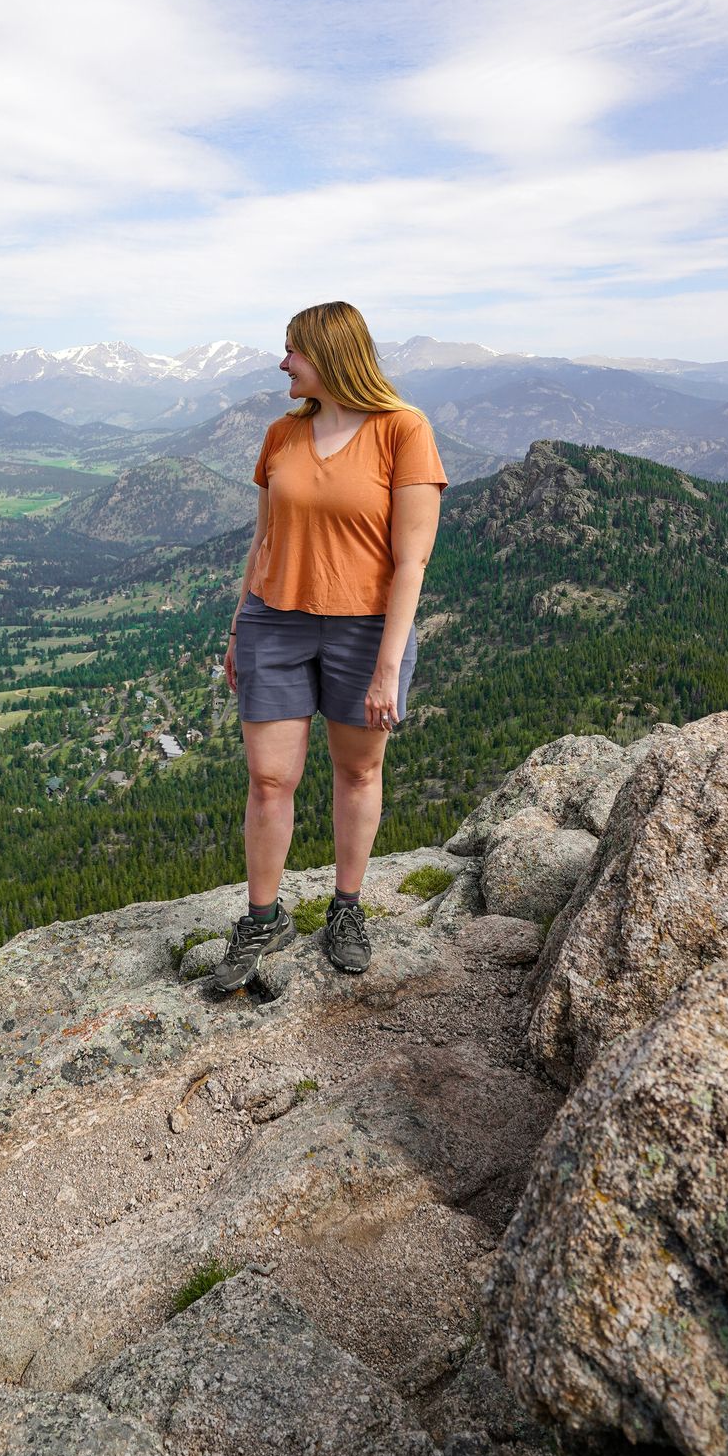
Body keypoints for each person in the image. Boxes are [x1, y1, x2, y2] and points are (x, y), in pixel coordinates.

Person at [212, 300, 448, 992]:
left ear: (330, 355)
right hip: (273, 621)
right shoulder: (280, 434)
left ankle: (346, 910)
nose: (283, 362)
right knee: (268, 779)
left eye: (294, 350)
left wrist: (386, 667)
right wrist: (236, 628)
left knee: (358, 773)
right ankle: (262, 917)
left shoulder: (403, 431)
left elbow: (412, 563)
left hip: (365, 628)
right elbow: (263, 542)